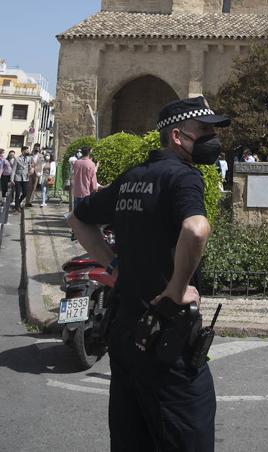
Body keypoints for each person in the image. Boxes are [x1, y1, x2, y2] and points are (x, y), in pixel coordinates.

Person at [68, 94, 230, 452]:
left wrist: (113, 265)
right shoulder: (183, 177)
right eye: (203, 130)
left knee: (131, 439)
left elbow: (78, 218)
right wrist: (176, 288)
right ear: (177, 136)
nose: (210, 139)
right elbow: (196, 229)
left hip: (125, 334)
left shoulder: (131, 178)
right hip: (166, 337)